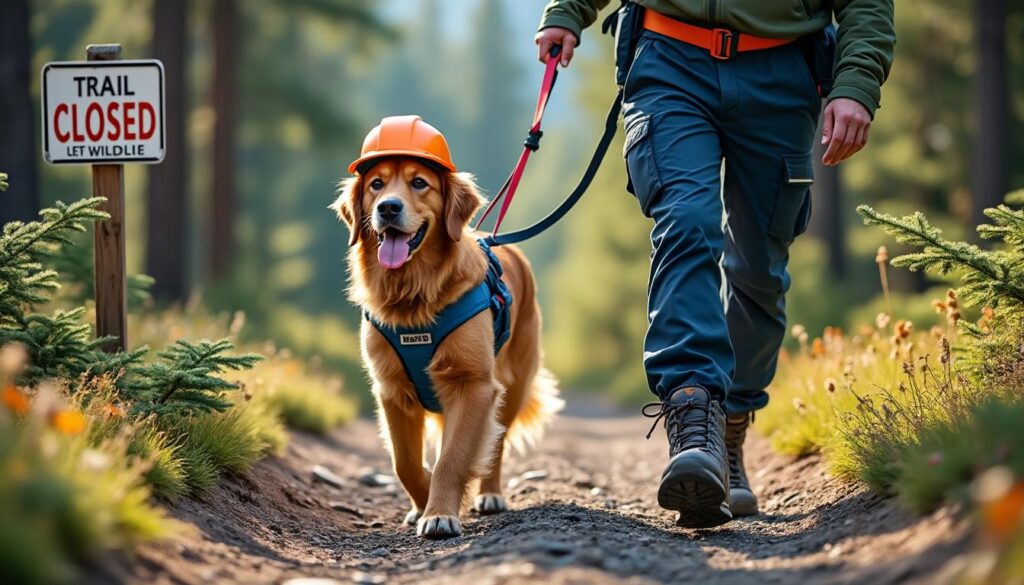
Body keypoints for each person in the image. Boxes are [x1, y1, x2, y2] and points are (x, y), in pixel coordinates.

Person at [535, 0, 894, 527]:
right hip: (668, 60)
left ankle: (729, 430)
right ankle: (692, 414)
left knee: (758, 269)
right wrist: (567, 11)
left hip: (782, 72)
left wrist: (856, 84)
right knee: (685, 221)